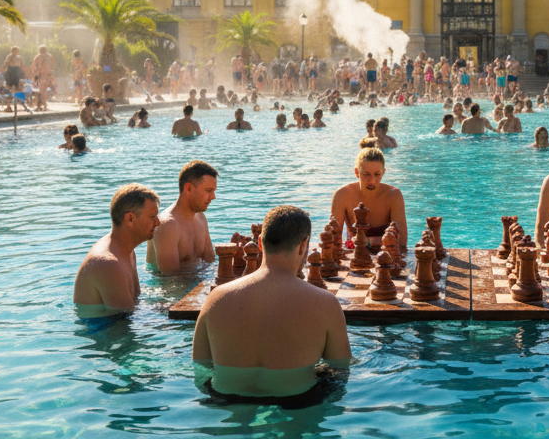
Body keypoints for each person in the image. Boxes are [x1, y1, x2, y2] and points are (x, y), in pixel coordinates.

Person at [192, 205, 351, 400]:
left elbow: (200, 368)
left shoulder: (216, 298)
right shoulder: (326, 304)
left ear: (259, 242)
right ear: (303, 245)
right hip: (299, 400)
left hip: (226, 398)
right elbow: (339, 371)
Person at [73, 184, 159, 318]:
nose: (158, 222)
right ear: (130, 219)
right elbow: (124, 322)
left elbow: (135, 304)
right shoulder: (108, 264)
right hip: (103, 331)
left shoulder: (128, 252)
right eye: (152, 216)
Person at [331, 146, 408, 250]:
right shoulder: (342, 195)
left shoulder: (394, 195)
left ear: (383, 172)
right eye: (366, 174)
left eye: (377, 174)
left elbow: (402, 240)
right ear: (356, 173)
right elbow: (333, 238)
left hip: (387, 255)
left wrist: (367, 241)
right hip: (354, 254)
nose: (372, 180)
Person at [148, 160, 218, 271]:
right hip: (168, 287)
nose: (213, 197)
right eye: (208, 191)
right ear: (188, 188)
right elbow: (171, 281)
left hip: (195, 283)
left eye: (214, 191)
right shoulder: (167, 225)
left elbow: (210, 261)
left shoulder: (200, 218)